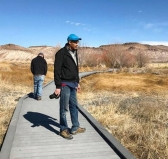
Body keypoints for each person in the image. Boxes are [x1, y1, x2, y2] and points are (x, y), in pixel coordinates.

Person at [54, 34, 86, 140]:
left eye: (78, 42)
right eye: (75, 42)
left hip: (73, 84)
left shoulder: (74, 52)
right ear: (69, 42)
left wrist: (77, 82)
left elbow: (75, 69)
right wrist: (58, 86)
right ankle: (63, 129)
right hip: (64, 84)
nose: (77, 44)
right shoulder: (61, 53)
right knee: (64, 108)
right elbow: (57, 71)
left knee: (74, 106)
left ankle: (75, 127)